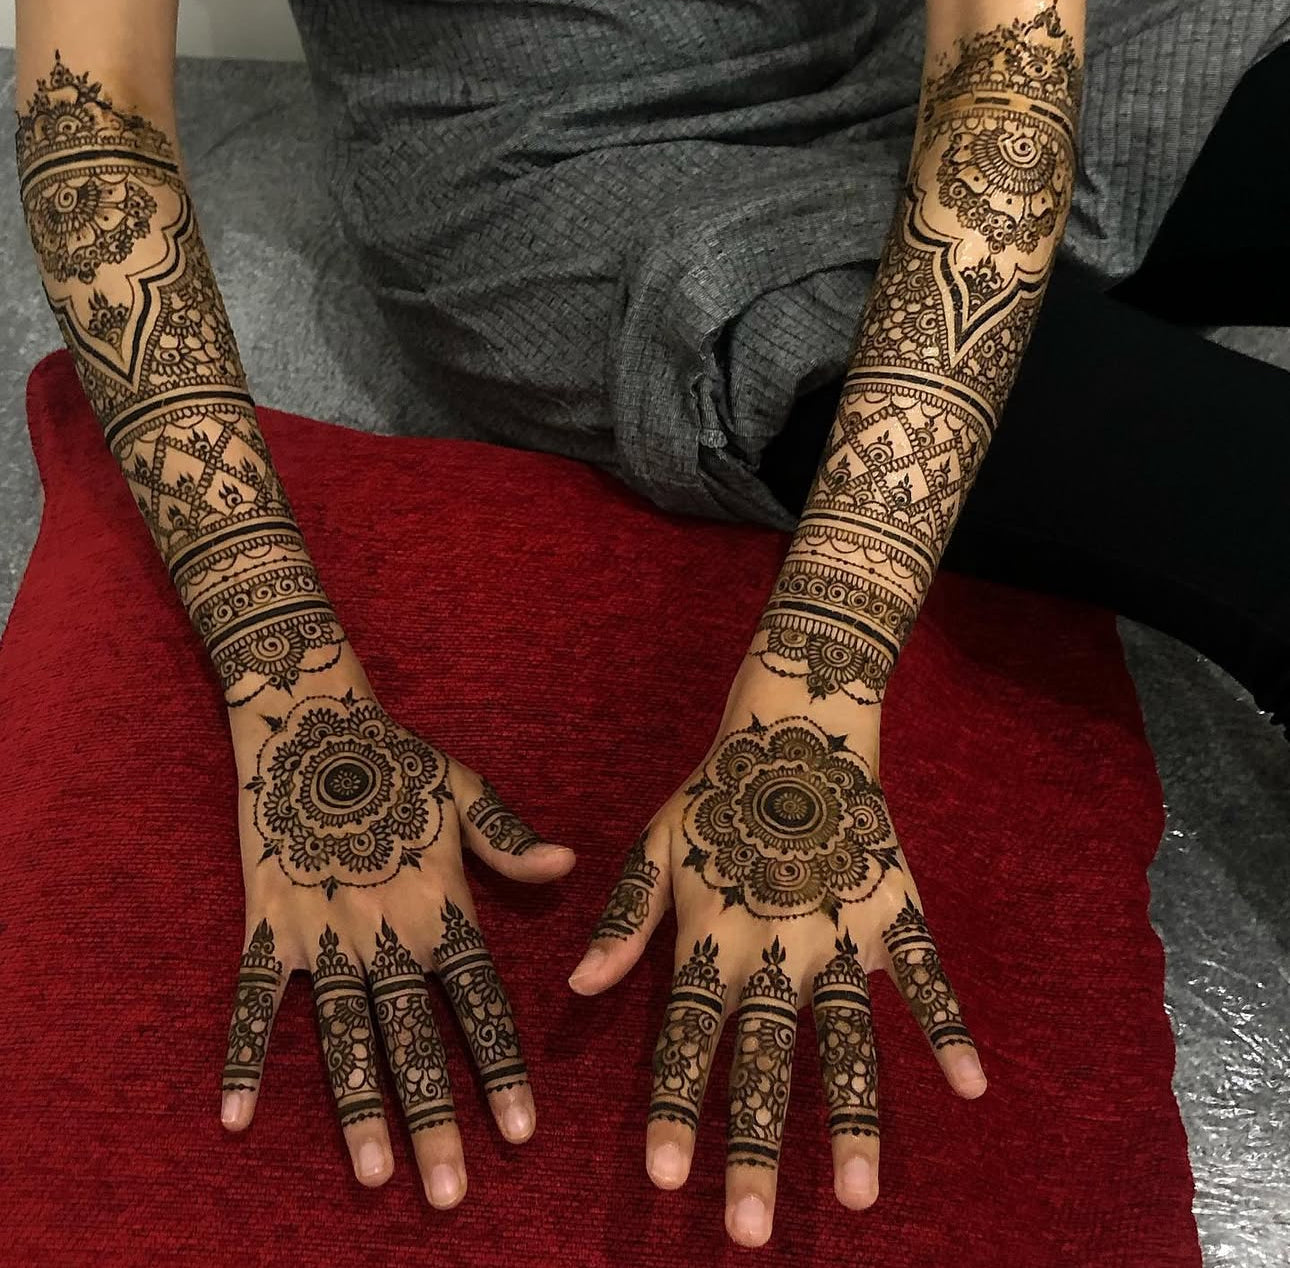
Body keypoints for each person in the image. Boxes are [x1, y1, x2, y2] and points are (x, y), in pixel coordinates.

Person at [12, 0, 1287, 1251]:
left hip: (929, 48)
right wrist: (289, 681)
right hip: (580, 161)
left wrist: (817, 677)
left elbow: (1004, 63)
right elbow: (95, 102)